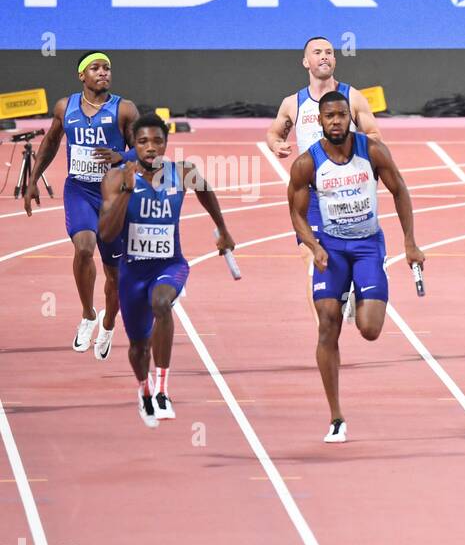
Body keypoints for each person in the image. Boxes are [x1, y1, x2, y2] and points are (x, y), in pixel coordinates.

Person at [286, 92, 424, 442]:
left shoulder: (372, 151)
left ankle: (358, 290)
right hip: (330, 250)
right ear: (319, 121)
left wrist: (409, 241)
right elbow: (296, 214)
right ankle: (336, 416)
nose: (335, 121)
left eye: (341, 115)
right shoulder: (307, 163)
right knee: (327, 325)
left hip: (366, 247)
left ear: (350, 117)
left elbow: (400, 190)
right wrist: (312, 245)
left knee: (370, 329)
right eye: (329, 116)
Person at [98, 114, 235, 427]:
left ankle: (161, 389)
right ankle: (144, 389)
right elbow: (105, 233)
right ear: (133, 144)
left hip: (170, 264)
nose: (151, 147)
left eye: (157, 141)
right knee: (137, 348)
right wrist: (127, 192)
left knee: (162, 303)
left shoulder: (182, 172)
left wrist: (222, 228)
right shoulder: (116, 178)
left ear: (166, 143)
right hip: (132, 272)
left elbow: (205, 190)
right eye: (143, 141)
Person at [22, 52, 138, 359]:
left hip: (113, 197)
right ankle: (88, 315)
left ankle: (109, 323)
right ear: (81, 76)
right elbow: (50, 141)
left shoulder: (124, 110)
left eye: (107, 68)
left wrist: (122, 158)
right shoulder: (65, 106)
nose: (103, 73)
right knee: (84, 247)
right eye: (95, 68)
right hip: (80, 190)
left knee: (114, 276)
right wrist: (34, 178)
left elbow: (144, 150)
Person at [266, 37, 382, 322]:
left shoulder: (352, 97)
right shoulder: (293, 103)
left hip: (349, 191)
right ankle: (324, 327)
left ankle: (354, 286)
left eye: (329, 52)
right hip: (312, 194)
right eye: (317, 52)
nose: (324, 56)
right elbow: (273, 133)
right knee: (312, 260)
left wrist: (351, 147)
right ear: (306, 62)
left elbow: (375, 136)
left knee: (351, 251)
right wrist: (276, 144)